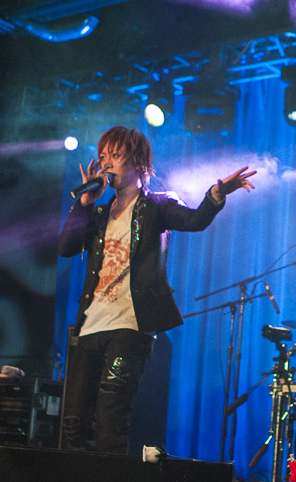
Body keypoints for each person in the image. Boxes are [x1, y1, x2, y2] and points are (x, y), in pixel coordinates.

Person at [57, 125, 255, 454]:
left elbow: (194, 220)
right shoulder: (100, 214)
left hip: (130, 325)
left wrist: (216, 195)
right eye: (103, 156)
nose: (106, 163)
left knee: (110, 413)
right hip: (90, 325)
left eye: (115, 155)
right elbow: (65, 248)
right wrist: (84, 204)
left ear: (138, 163)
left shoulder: (157, 205)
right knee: (74, 420)